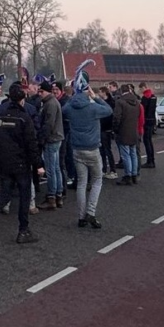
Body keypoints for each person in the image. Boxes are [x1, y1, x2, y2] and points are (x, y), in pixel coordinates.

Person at [0, 84, 44, 244]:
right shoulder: (23, 117)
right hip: (21, 162)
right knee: (24, 196)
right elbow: (31, 143)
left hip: (4, 161)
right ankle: (23, 230)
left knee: (5, 194)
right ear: (23, 99)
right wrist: (38, 164)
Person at [62, 82, 113, 229]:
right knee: (97, 180)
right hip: (92, 148)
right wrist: (96, 97)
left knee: (82, 183)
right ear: (87, 91)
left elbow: (63, 109)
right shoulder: (93, 108)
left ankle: (81, 216)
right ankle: (91, 212)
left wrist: (73, 97)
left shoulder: (70, 108)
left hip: (77, 149)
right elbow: (108, 110)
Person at [36, 80, 66, 210]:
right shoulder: (53, 102)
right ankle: (58, 195)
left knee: (51, 169)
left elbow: (48, 124)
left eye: (41, 91)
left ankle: (51, 196)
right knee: (56, 168)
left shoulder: (50, 104)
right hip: (57, 137)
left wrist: (41, 139)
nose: (39, 94)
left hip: (51, 139)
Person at [112, 84, 143, 185]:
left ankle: (128, 175)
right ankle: (134, 175)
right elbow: (138, 115)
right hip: (133, 130)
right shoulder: (137, 102)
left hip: (124, 131)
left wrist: (115, 129)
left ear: (121, 91)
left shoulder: (120, 102)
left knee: (126, 155)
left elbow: (117, 117)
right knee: (133, 153)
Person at [98, 85, 118, 179]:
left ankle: (113, 170)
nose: (99, 94)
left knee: (107, 150)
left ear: (103, 92)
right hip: (101, 128)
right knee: (102, 150)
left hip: (106, 129)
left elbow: (111, 116)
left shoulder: (110, 103)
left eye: (100, 92)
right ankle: (104, 169)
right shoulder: (102, 102)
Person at [140, 85, 157, 169]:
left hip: (146, 121)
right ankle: (152, 160)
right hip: (152, 120)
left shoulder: (145, 97)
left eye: (141, 89)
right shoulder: (153, 97)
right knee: (149, 141)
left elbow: (143, 110)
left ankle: (149, 161)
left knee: (146, 141)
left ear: (143, 87)